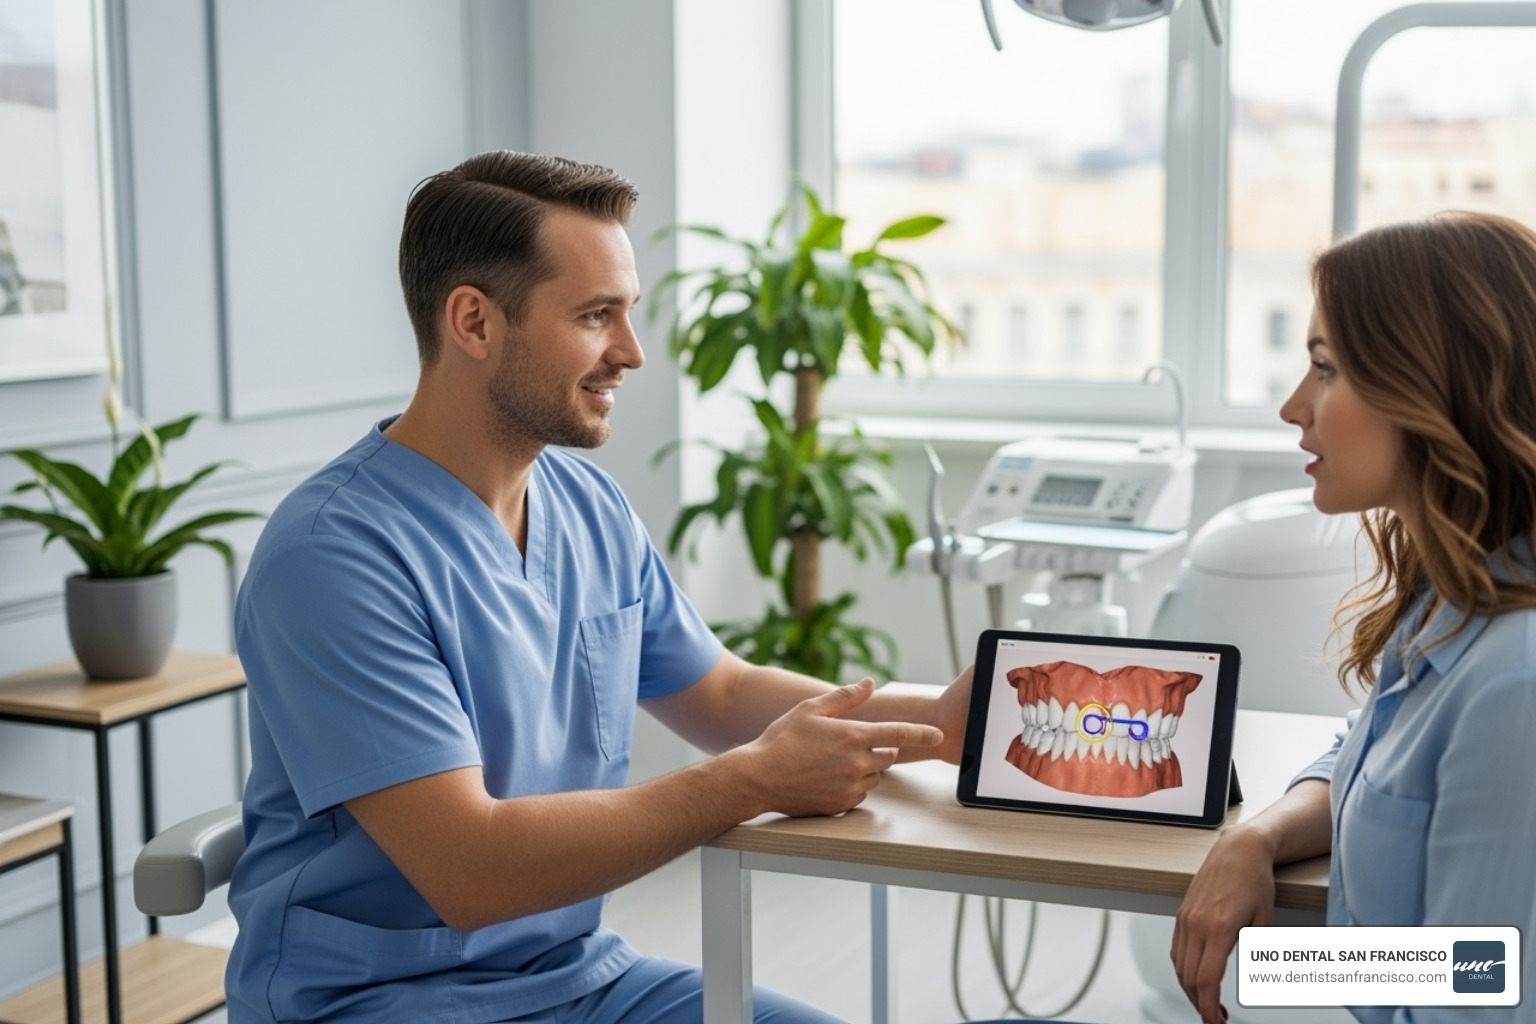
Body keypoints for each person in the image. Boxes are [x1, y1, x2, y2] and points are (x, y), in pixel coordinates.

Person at [225, 151, 972, 1024]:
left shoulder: (586, 506)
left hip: (575, 977)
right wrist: (751, 781)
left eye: (628, 312)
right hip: (377, 1001)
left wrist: (938, 724)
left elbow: (722, 692)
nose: (631, 352)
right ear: (474, 322)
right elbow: (471, 870)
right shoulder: (331, 556)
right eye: (595, 316)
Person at [1170, 210, 1536, 1024]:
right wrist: (1255, 837)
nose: (1292, 407)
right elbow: (1367, 750)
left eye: (1325, 369)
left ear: (1432, 387)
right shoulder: (1449, 600)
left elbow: (1475, 991)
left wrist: (1276, 971)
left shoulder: (1516, 683)